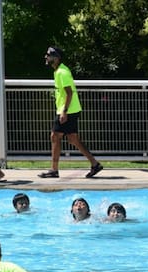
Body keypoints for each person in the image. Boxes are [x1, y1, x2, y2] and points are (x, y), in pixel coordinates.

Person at [38, 46, 103, 180]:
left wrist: (64, 112)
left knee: (55, 136)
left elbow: (69, 92)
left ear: (56, 58)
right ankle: (95, 164)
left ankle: (54, 170)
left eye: (49, 55)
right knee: (73, 139)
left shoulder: (62, 72)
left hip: (68, 110)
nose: (46, 57)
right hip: (69, 109)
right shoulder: (58, 71)